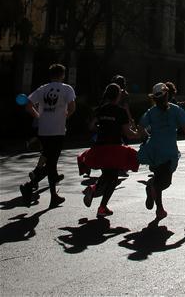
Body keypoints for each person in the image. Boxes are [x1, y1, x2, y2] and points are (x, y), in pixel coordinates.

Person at [78, 83, 139, 217]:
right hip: (115, 148)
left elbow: (90, 126)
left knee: (107, 175)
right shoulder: (121, 111)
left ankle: (94, 192)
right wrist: (138, 133)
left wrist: (101, 128)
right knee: (113, 177)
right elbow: (127, 133)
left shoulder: (100, 109)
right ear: (118, 96)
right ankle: (101, 205)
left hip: (100, 147)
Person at [21, 63, 76, 208]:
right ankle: (31, 186)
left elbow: (28, 104)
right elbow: (72, 107)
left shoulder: (43, 88)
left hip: (43, 130)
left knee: (51, 162)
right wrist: (66, 116)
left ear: (50, 75)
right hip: (57, 130)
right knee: (52, 162)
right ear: (62, 75)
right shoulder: (66, 88)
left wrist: (38, 116)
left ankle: (50, 194)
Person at [137, 82, 185, 221]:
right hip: (168, 151)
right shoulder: (175, 109)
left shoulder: (151, 112)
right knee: (165, 182)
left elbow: (140, 127)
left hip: (154, 150)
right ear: (167, 94)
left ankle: (159, 208)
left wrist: (146, 138)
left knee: (158, 178)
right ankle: (152, 191)